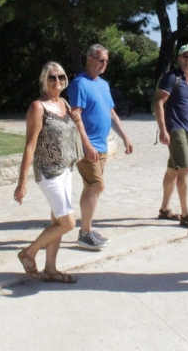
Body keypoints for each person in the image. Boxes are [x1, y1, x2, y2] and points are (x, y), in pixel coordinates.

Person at [14, 62, 89, 283]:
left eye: (61, 77)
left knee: (57, 221)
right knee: (68, 222)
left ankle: (51, 269)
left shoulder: (64, 103)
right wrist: (22, 183)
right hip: (48, 173)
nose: (57, 81)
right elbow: (30, 145)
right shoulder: (38, 107)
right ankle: (28, 252)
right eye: (52, 77)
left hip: (65, 170)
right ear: (43, 80)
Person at [68, 44, 133, 250]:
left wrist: (125, 136)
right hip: (87, 146)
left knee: (91, 186)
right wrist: (86, 144)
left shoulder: (103, 84)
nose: (104, 64)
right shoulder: (80, 84)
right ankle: (85, 233)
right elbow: (75, 115)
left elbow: (111, 113)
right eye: (101, 60)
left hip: (100, 145)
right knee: (97, 185)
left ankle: (86, 230)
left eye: (106, 61)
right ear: (90, 59)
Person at [154, 44, 188, 228]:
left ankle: (164, 209)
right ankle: (185, 214)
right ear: (178, 59)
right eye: (184, 56)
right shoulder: (171, 77)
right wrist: (163, 129)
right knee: (185, 169)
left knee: (173, 169)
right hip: (175, 129)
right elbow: (158, 101)